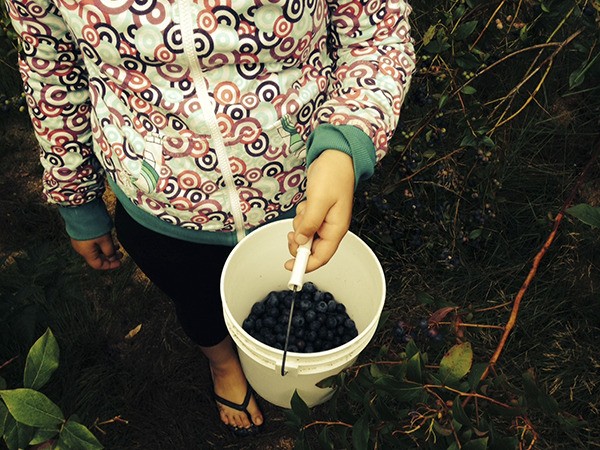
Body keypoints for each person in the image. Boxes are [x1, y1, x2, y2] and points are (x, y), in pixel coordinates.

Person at [7, 0, 415, 437]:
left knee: (291, 292)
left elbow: (377, 32)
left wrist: (344, 142)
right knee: (195, 298)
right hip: (161, 210)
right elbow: (50, 65)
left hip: (299, 192)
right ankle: (223, 363)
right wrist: (76, 196)